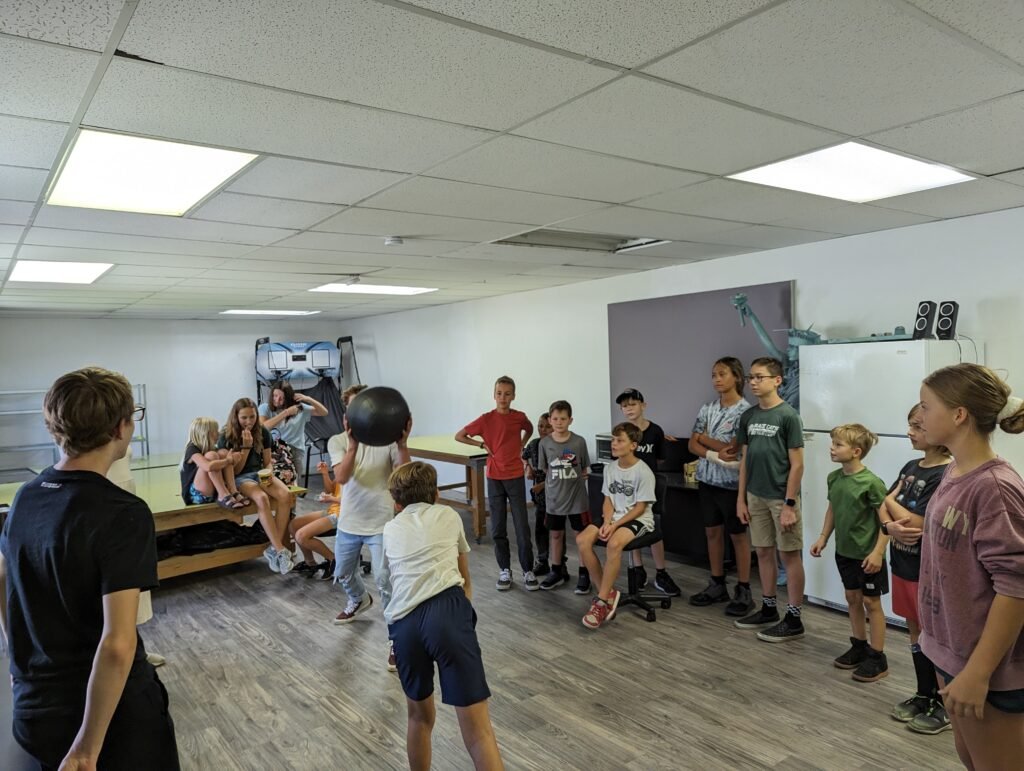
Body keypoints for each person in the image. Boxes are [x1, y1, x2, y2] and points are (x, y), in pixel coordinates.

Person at [0, 367, 179, 769]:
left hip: (36, 709)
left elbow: (2, 578)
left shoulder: (25, 497)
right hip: (107, 720)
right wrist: (86, 748)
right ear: (119, 428)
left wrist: (18, 660)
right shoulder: (122, 513)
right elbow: (116, 643)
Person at [912, 364, 1024, 769]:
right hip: (950, 649)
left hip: (986, 667)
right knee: (969, 756)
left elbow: (1016, 587)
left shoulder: (995, 487)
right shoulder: (954, 469)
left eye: (926, 406)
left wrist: (978, 673)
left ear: (959, 414)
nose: (919, 415)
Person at [383, 461, 504, 771]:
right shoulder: (449, 515)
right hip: (446, 611)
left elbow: (390, 581)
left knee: (418, 717)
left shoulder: (390, 528)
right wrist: (461, 621)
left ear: (396, 503)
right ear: (436, 493)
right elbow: (464, 579)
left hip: (404, 623)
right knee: (478, 732)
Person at [328, 383, 412, 668]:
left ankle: (396, 639)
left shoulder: (387, 441)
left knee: (385, 581)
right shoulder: (338, 441)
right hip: (349, 522)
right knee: (342, 572)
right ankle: (359, 599)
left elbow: (404, 476)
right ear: (347, 414)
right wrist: (353, 445)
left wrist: (402, 445)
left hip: (381, 523)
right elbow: (341, 477)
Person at [880, 404, 952, 734]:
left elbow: (917, 522)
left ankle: (945, 704)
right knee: (915, 632)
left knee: (936, 636)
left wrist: (888, 504)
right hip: (903, 564)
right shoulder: (911, 466)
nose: (910, 432)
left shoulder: (946, 473)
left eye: (918, 426)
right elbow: (885, 512)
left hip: (929, 571)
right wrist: (889, 525)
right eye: (910, 425)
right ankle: (924, 694)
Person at [733, 357, 807, 642]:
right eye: (751, 377)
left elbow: (797, 465)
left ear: (777, 380)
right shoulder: (749, 416)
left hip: (781, 498)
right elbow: (745, 460)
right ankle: (768, 608)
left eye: (759, 377)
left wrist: (789, 504)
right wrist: (741, 499)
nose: (753, 382)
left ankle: (794, 618)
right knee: (763, 552)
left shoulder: (788, 416)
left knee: (789, 555)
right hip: (755, 495)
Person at [809, 424, 891, 682]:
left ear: (856, 451)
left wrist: (878, 552)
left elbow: (887, 523)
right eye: (832, 443)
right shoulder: (834, 478)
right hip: (844, 552)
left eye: (838, 445)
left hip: (868, 556)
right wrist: (823, 537)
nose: (831, 448)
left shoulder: (872, 483)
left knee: (871, 603)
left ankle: (877, 656)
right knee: (852, 598)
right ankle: (859, 646)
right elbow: (833, 509)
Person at [687, 357, 755, 616]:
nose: (716, 379)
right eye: (713, 375)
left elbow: (733, 449)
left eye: (722, 374)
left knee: (738, 535)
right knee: (712, 533)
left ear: (736, 377)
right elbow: (692, 445)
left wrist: (704, 438)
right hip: (707, 480)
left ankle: (744, 588)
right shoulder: (707, 408)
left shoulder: (745, 412)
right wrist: (712, 451)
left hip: (732, 484)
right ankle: (717, 584)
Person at [456, 376, 536, 592]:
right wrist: (481, 444)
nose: (503, 398)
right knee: (498, 526)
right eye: (499, 393)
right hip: (494, 478)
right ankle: (504, 570)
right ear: (494, 395)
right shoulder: (486, 419)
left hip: (515, 476)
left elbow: (529, 429)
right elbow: (460, 436)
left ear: (514, 396)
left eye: (507, 394)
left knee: (522, 526)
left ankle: (528, 570)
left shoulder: (519, 417)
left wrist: (521, 444)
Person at [576, 422, 657, 630]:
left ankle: (601, 603)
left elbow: (640, 508)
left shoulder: (643, 471)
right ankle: (608, 593)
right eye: (613, 440)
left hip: (638, 519)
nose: (614, 444)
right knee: (582, 540)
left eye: (620, 440)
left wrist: (615, 525)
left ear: (633, 445)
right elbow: (608, 500)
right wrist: (606, 522)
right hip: (614, 516)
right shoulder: (610, 468)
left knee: (613, 544)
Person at [615, 388, 682, 597]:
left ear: (643, 406)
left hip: (649, 489)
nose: (629, 409)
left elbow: (660, 458)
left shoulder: (655, 431)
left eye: (633, 404)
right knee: (632, 526)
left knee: (653, 527)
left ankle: (661, 572)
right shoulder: (621, 432)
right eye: (624, 406)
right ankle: (638, 569)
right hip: (628, 489)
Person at [218, 398, 295, 574]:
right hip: (239, 478)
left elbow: (267, 461)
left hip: (259, 473)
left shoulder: (262, 431)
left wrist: (268, 472)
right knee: (261, 498)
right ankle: (280, 549)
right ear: (236, 417)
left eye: (252, 417)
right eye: (244, 417)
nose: (249, 421)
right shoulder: (226, 436)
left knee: (286, 495)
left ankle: (274, 548)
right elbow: (234, 471)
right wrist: (246, 448)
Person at [537, 401, 592, 593]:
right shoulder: (544, 443)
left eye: (563, 419)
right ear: (550, 420)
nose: (559, 422)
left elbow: (584, 469)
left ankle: (584, 573)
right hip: (554, 500)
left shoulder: (579, 442)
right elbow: (546, 469)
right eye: (555, 419)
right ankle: (556, 571)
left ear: (570, 420)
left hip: (577, 500)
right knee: (555, 534)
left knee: (581, 536)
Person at [258, 381, 328, 479]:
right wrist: (286, 413)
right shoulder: (265, 407)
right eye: (275, 395)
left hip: (295, 450)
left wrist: (308, 399)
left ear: (288, 398)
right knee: (274, 480)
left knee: (293, 480)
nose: (277, 400)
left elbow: (324, 412)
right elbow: (263, 427)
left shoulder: (300, 408)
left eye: (281, 398)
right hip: (273, 450)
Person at [179, 416, 247, 509]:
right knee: (212, 456)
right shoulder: (191, 448)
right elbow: (208, 467)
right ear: (206, 433)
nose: (219, 433)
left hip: (212, 491)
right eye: (215, 431)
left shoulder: (211, 447)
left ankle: (232, 490)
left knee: (223, 452)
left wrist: (234, 460)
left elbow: (224, 467)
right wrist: (229, 460)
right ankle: (223, 495)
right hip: (196, 496)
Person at [289, 460, 339, 580]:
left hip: (344, 515)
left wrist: (332, 499)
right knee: (294, 525)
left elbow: (357, 501)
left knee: (301, 536)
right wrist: (325, 473)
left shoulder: (357, 471)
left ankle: (334, 560)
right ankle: (310, 563)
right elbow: (331, 490)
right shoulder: (342, 465)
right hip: (333, 510)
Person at [522, 412, 552, 577]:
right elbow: (523, 456)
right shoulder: (534, 444)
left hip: (556, 495)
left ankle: (560, 563)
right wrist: (527, 467)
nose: (543, 429)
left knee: (556, 530)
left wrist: (543, 485)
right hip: (540, 497)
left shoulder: (557, 446)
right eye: (540, 426)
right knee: (540, 529)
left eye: (547, 426)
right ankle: (542, 560)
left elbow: (561, 473)